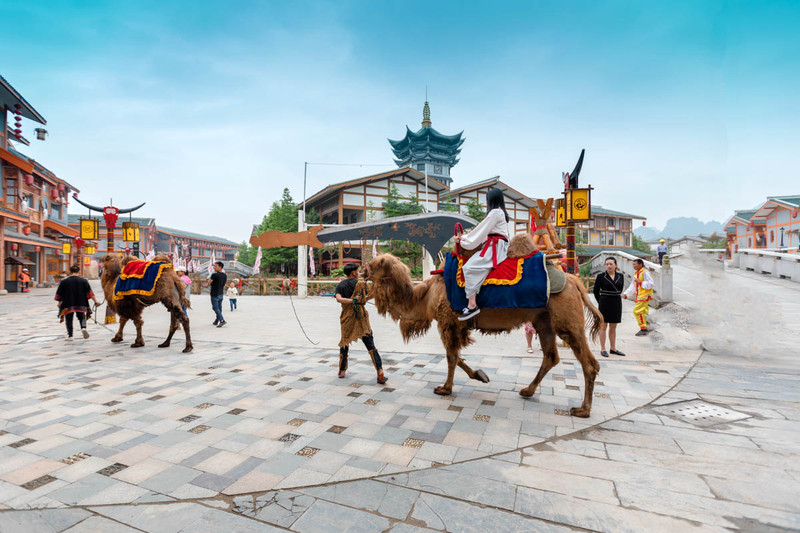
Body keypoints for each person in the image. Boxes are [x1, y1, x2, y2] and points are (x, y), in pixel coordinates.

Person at [456, 188, 510, 321]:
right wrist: (466, 238)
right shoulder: (499, 212)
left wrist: (463, 240)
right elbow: (482, 230)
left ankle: (472, 305)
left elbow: (480, 231)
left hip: (496, 247)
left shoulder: (495, 213)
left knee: (469, 267)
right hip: (494, 245)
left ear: (490, 200)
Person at [334, 263, 387, 384]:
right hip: (361, 316)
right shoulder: (361, 284)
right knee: (370, 344)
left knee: (345, 342)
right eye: (357, 271)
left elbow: (338, 299)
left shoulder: (341, 284)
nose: (358, 273)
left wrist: (351, 300)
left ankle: (342, 371)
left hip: (346, 317)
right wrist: (362, 300)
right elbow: (373, 294)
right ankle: (380, 372)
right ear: (353, 273)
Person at [55, 265, 100, 340]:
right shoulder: (83, 281)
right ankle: (83, 328)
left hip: (68, 303)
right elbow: (90, 292)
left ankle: (70, 336)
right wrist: (96, 301)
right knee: (82, 316)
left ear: (70, 271)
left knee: (69, 319)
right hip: (81, 302)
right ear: (78, 272)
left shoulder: (64, 281)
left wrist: (59, 303)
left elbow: (60, 294)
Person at [593, 257, 626, 357]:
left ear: (616, 265)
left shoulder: (620, 276)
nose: (609, 266)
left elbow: (620, 289)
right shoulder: (601, 276)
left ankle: (613, 348)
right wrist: (601, 301)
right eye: (607, 264)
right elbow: (596, 291)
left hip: (616, 302)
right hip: (604, 302)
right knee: (603, 326)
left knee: (613, 326)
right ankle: (603, 349)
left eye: (611, 264)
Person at [623, 258, 654, 336]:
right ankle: (647, 323)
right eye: (633, 264)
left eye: (635, 264)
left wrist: (640, 282)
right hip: (641, 295)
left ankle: (643, 328)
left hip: (644, 295)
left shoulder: (645, 273)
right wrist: (627, 293)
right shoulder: (637, 274)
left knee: (637, 311)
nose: (633, 266)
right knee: (643, 311)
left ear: (640, 264)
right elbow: (633, 285)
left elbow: (651, 284)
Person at [206, 261, 227, 327]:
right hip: (221, 293)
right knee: (219, 307)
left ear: (220, 267)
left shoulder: (214, 275)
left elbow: (208, 283)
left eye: (215, 266)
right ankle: (217, 320)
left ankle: (222, 320)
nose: (214, 267)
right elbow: (224, 284)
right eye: (214, 266)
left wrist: (208, 282)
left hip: (214, 293)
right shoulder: (224, 275)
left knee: (215, 307)